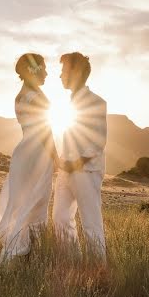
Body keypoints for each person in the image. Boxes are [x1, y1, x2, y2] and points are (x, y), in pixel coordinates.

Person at [0, 53, 58, 265]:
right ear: (34, 70)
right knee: (38, 202)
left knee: (24, 201)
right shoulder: (37, 96)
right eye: (44, 68)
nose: (47, 73)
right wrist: (55, 155)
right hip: (38, 153)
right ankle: (32, 255)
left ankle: (22, 251)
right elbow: (45, 130)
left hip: (23, 153)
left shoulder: (19, 96)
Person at [53, 52, 107, 260]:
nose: (60, 76)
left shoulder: (96, 102)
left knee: (91, 223)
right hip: (66, 170)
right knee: (60, 218)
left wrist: (77, 162)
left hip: (86, 170)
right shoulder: (65, 105)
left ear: (76, 72)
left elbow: (98, 141)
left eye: (64, 70)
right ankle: (72, 262)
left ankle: (98, 271)